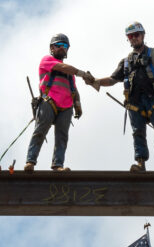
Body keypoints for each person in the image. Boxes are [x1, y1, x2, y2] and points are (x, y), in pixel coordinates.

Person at [92, 22, 154, 172]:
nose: (133, 38)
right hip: (134, 103)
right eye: (130, 36)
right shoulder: (126, 62)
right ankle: (140, 164)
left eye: (136, 35)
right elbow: (113, 79)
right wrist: (95, 82)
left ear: (143, 35)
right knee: (138, 133)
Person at [24, 33, 95, 172]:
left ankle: (57, 165)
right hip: (49, 101)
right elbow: (63, 68)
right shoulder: (47, 60)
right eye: (59, 45)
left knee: (62, 137)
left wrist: (78, 105)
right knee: (40, 130)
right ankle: (30, 161)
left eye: (65, 46)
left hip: (66, 107)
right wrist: (82, 73)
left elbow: (74, 89)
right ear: (52, 48)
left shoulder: (69, 74)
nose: (63, 48)